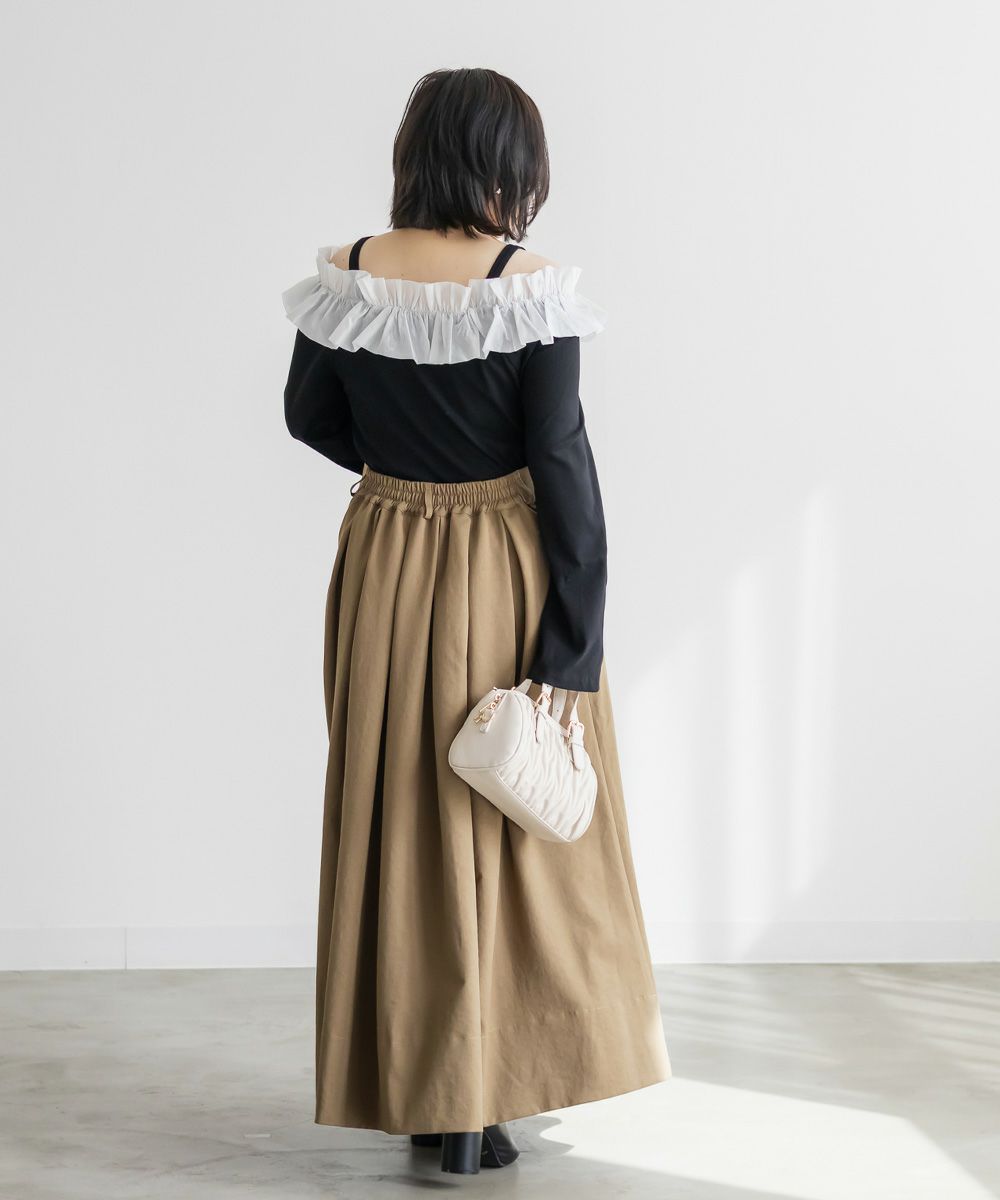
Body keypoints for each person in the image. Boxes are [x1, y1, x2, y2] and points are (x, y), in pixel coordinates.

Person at [280, 66, 671, 1177]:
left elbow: (307, 417)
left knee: (398, 813)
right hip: (501, 564)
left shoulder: (349, 274)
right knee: (500, 819)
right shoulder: (526, 288)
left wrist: (404, 476)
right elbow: (561, 463)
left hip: (383, 559)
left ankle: (429, 1095)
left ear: (415, 155)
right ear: (511, 165)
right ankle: (480, 1101)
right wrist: (575, 641)